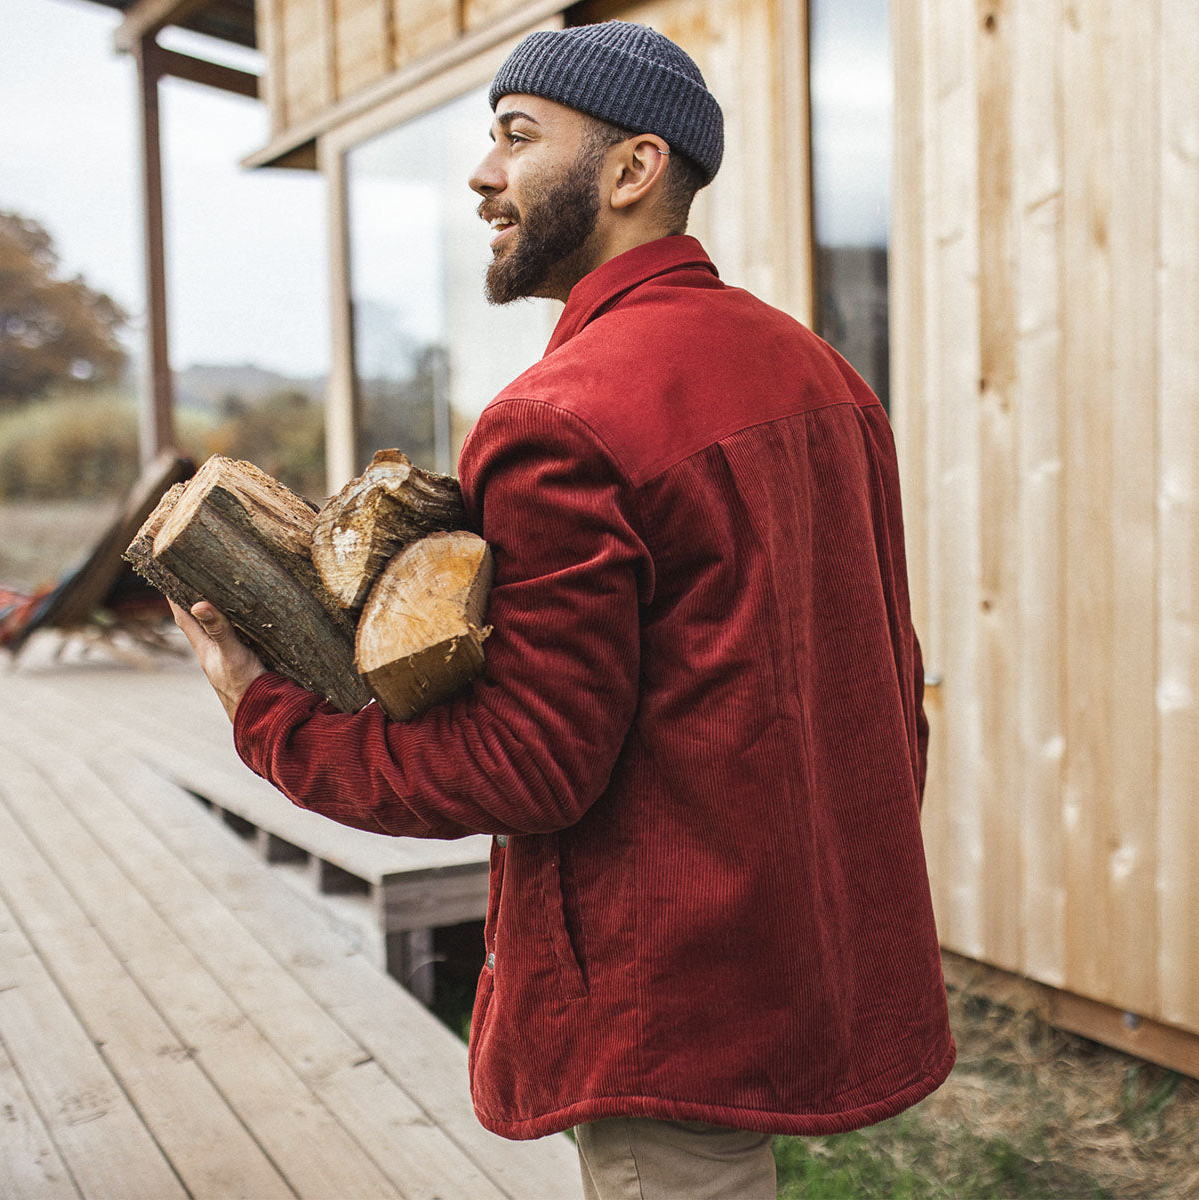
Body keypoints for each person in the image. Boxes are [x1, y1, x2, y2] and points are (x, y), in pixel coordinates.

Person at [173, 20, 956, 1199]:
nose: (482, 173)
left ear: (635, 170)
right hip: (792, 954)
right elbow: (891, 687)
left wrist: (268, 712)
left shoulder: (560, 415)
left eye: (518, 136)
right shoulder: (824, 376)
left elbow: (526, 764)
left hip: (667, 1002)